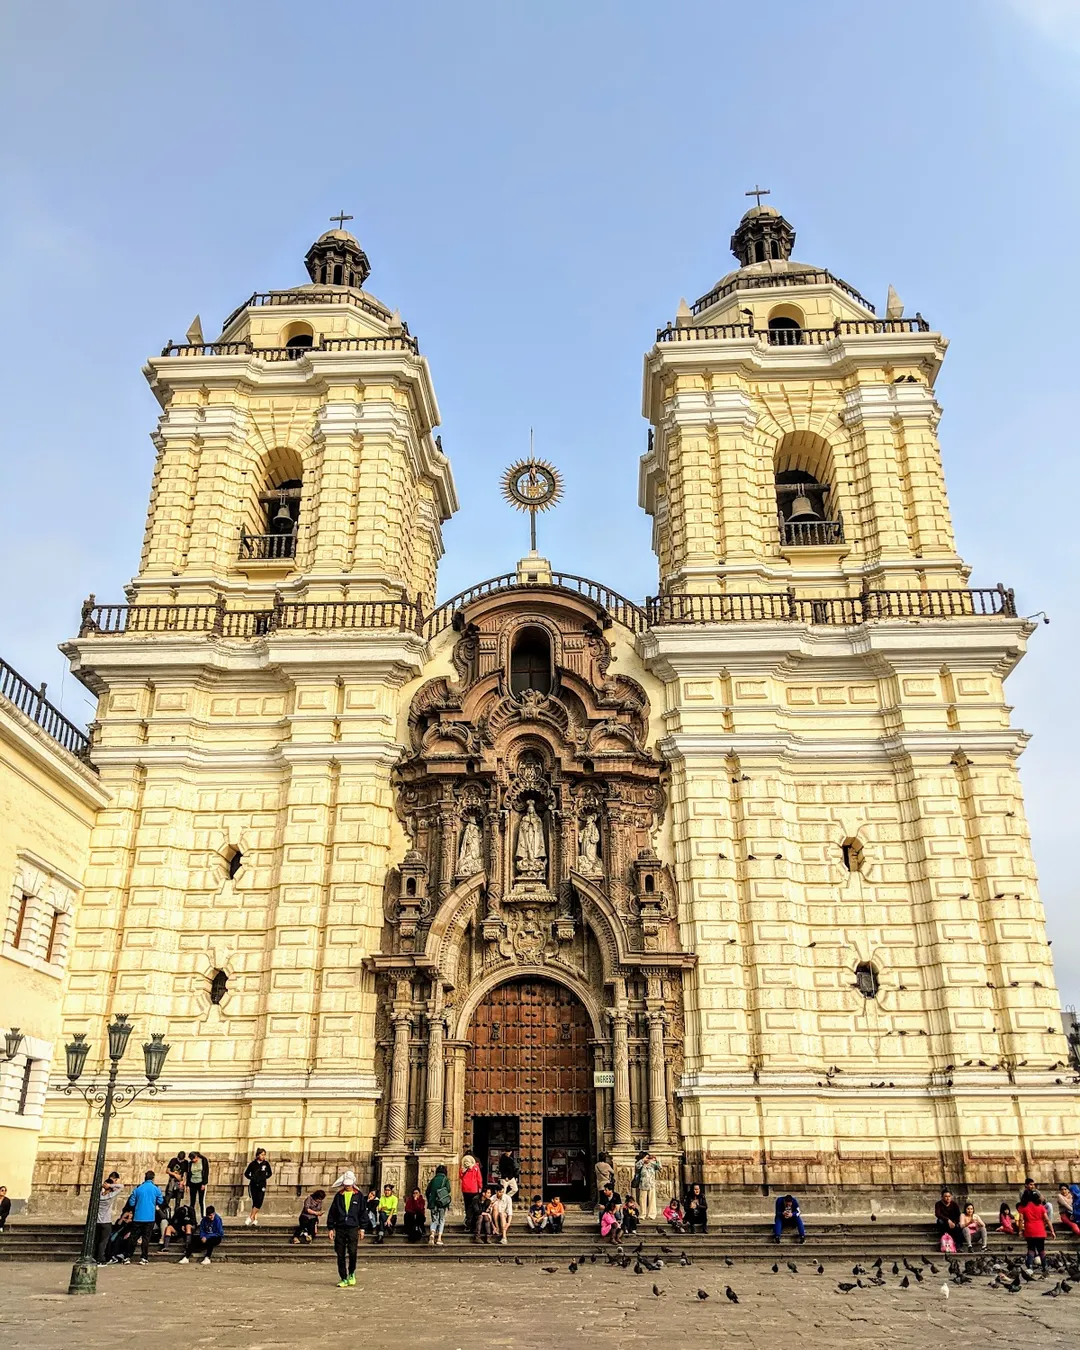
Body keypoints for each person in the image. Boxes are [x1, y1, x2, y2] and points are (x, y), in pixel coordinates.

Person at [326, 1172, 364, 1287]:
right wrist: (331, 1228)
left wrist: (362, 1228)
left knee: (352, 1252)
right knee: (340, 1253)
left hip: (353, 1227)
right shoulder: (339, 1195)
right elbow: (332, 1212)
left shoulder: (359, 1195)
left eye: (349, 1184)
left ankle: (352, 1272)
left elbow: (362, 1212)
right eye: (345, 1184)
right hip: (340, 1227)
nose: (347, 1186)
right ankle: (343, 1277)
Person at [127, 1169, 164, 1265]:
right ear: (153, 1178)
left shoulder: (138, 1189)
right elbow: (160, 1201)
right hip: (149, 1217)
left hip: (138, 1217)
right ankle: (144, 1257)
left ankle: (127, 1257)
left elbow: (131, 1202)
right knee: (146, 1238)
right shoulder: (156, 1189)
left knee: (133, 1238)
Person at [93, 1172, 124, 1263]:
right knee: (104, 1242)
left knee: (97, 1240)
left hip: (97, 1221)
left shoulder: (98, 1196)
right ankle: (101, 1259)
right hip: (106, 1222)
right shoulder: (110, 1196)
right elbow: (121, 1187)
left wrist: (103, 1186)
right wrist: (110, 1185)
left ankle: (94, 1257)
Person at [1018, 1189, 1054, 1267]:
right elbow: (1047, 1219)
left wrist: (1020, 1230)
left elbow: (1020, 1219)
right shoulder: (1040, 1206)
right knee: (1041, 1249)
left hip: (1030, 1231)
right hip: (1040, 1231)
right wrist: (1052, 1231)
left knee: (1031, 1249)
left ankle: (1030, 1266)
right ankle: (1045, 1267)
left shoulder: (1023, 1207)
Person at [244, 1148, 272, 1226]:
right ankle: (255, 1219)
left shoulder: (266, 1164)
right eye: (262, 1154)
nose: (263, 1156)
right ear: (258, 1155)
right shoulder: (253, 1164)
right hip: (253, 1184)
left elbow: (270, 1173)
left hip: (262, 1185)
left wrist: (264, 1177)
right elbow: (246, 1173)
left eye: (264, 1155)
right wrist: (252, 1178)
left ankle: (250, 1217)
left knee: (259, 1201)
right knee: (255, 1201)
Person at [425, 1165, 452, 1247]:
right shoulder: (445, 1179)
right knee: (441, 1220)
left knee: (434, 1220)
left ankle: (432, 1234)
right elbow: (449, 1189)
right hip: (442, 1203)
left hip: (433, 1203)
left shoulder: (433, 1180)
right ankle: (439, 1238)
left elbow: (427, 1191)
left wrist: (430, 1200)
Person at [635, 1152, 661, 1221]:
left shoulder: (652, 1164)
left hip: (651, 1184)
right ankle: (642, 1214)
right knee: (642, 1200)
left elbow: (659, 1167)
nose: (647, 1159)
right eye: (646, 1157)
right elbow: (637, 1166)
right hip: (643, 1184)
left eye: (648, 1157)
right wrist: (643, 1160)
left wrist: (656, 1159)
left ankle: (651, 1214)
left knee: (652, 1200)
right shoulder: (641, 1164)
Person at [460, 1155, 483, 1234]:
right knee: (474, 1207)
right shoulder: (476, 1167)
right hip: (474, 1189)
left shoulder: (463, 1168)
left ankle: (468, 1224)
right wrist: (480, 1188)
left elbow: (460, 1177)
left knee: (467, 1206)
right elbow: (479, 1178)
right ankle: (473, 1224)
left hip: (465, 1189)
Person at [186, 1150, 209, 1218]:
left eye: (194, 1159)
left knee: (201, 1201)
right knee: (192, 1201)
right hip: (193, 1182)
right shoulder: (190, 1163)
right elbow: (189, 1174)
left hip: (201, 1182)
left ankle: (203, 1216)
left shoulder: (203, 1160)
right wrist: (187, 1185)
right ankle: (191, 1216)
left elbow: (206, 1172)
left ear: (196, 1157)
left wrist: (204, 1184)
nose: (193, 1160)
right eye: (192, 1159)